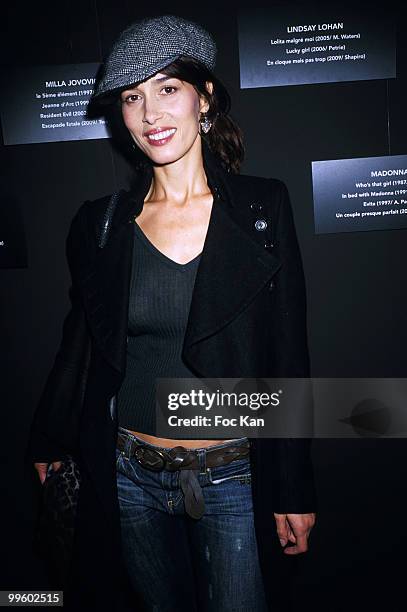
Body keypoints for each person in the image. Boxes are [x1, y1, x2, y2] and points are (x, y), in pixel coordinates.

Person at [26, 14, 317, 612]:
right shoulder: (99, 224)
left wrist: (294, 485)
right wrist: (49, 437)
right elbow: (79, 343)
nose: (151, 113)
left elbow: (288, 356)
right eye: (132, 97)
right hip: (128, 472)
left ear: (203, 97)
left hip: (232, 474)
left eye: (166, 88)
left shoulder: (263, 209)